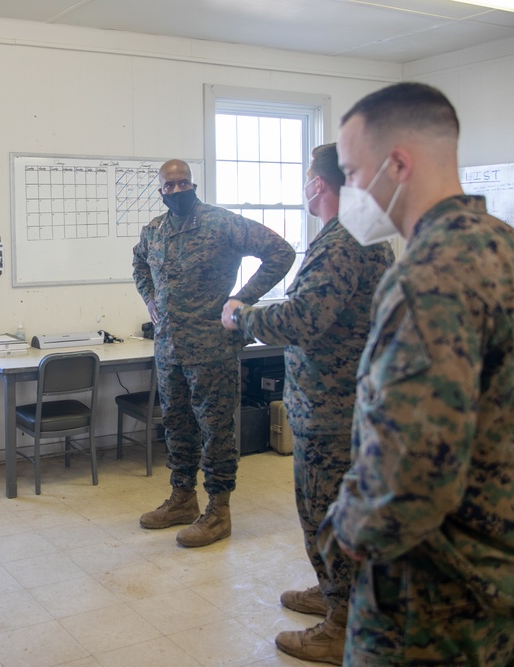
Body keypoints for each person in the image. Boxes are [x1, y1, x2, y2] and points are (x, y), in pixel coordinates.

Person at [318, 82, 514, 665]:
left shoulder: (427, 279)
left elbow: (409, 473)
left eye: (354, 174)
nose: (351, 191)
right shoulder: (510, 251)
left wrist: (347, 538)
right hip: (503, 572)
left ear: (398, 164)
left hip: (431, 596)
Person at [221, 144, 393, 664]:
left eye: (305, 179)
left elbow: (304, 320)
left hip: (333, 410)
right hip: (347, 401)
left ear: (318, 184)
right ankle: (334, 592)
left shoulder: (341, 241)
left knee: (326, 513)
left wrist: (242, 316)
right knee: (335, 512)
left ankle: (342, 624)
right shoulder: (367, 233)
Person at [133, 159, 295, 547]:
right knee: (176, 425)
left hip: (212, 348)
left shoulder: (222, 223)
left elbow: (281, 252)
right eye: (169, 186)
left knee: (216, 429)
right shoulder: (154, 230)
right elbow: (139, 266)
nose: (176, 190)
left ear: (193, 183)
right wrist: (150, 299)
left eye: (183, 182)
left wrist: (241, 300)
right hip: (169, 347)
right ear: (160, 191)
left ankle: (219, 510)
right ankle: (182, 499)